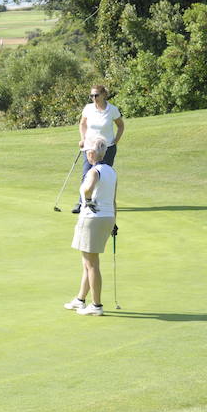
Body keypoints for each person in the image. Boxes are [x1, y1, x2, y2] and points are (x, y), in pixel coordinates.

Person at [64, 136, 117, 316]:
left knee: (91, 263)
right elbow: (113, 200)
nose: (86, 154)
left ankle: (96, 305)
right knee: (87, 261)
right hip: (107, 217)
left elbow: (87, 189)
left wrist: (87, 200)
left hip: (92, 219)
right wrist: (114, 222)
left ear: (93, 153)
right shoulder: (111, 172)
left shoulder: (94, 172)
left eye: (87, 151)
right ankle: (80, 300)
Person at [72, 85, 124, 213]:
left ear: (103, 95)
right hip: (90, 147)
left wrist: (116, 140)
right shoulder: (88, 108)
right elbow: (82, 124)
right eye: (91, 96)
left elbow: (121, 126)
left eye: (96, 95)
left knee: (104, 174)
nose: (93, 98)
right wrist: (83, 139)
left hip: (107, 148)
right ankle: (82, 202)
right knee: (86, 173)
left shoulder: (112, 110)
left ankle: (103, 201)